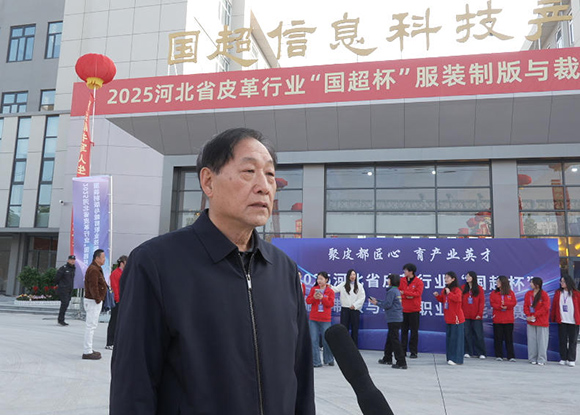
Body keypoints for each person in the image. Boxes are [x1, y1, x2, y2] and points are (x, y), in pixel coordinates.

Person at [110, 128, 315, 415]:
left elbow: (301, 377)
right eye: (249, 171)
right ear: (208, 181)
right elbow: (133, 385)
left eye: (270, 174)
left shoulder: (283, 269)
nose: (264, 186)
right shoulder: (155, 263)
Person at [370, 273, 407, 369]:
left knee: (394, 340)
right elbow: (388, 302)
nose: (387, 281)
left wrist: (377, 303)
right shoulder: (395, 290)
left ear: (392, 281)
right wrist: (377, 301)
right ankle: (387, 357)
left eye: (389, 279)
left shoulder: (391, 291)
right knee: (390, 338)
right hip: (396, 318)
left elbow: (387, 305)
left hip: (393, 318)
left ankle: (401, 362)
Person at [434, 271, 465, 365]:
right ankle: (450, 358)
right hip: (448, 318)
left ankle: (457, 359)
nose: (446, 279)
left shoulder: (457, 289)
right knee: (450, 339)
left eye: (447, 278)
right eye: (445, 278)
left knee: (457, 340)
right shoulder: (445, 289)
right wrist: (437, 296)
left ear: (453, 279)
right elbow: (443, 300)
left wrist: (449, 293)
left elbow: (457, 299)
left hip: (457, 319)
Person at [306, 271, 335, 367]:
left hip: (325, 319)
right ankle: (316, 361)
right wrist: (314, 298)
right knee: (313, 340)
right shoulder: (314, 289)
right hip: (313, 318)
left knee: (326, 340)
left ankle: (329, 359)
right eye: (318, 279)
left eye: (321, 279)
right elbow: (308, 301)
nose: (319, 281)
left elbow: (330, 304)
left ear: (326, 280)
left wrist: (323, 298)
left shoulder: (330, 291)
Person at [330, 269, 366, 346]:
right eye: (351, 274)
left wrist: (355, 305)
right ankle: (344, 346)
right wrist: (329, 286)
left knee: (355, 329)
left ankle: (354, 347)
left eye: (354, 274)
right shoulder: (343, 284)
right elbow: (335, 289)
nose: (352, 276)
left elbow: (362, 298)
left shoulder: (359, 286)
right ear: (348, 276)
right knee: (344, 329)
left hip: (355, 310)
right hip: (345, 310)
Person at [550, 273, 580, 367]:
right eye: (561, 281)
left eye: (563, 281)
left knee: (572, 341)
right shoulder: (558, 293)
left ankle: (571, 359)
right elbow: (555, 306)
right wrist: (553, 317)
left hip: (573, 321)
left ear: (568, 282)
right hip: (562, 320)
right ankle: (563, 358)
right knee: (562, 340)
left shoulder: (576, 294)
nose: (561, 283)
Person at [82, 249, 107, 360]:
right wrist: (98, 299)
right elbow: (93, 286)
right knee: (90, 326)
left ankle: (89, 349)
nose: (104, 259)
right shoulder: (93, 270)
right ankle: (87, 351)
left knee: (92, 326)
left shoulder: (96, 268)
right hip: (92, 301)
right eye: (103, 257)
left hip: (93, 300)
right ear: (97, 258)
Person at [489, 275, 517, 362]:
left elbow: (513, 303)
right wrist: (499, 306)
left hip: (508, 319)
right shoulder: (494, 293)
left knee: (509, 338)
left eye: (498, 282)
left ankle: (510, 356)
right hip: (498, 318)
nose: (497, 283)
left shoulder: (510, 293)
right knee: (498, 338)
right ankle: (499, 355)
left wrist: (506, 305)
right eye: (497, 282)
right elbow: (492, 303)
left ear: (503, 283)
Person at [524, 277, 551, 365]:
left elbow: (545, 307)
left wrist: (535, 315)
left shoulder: (544, 294)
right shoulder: (528, 294)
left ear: (537, 285)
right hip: (531, 320)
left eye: (532, 282)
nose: (530, 284)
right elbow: (525, 306)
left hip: (541, 320)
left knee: (542, 341)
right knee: (531, 340)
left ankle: (541, 359)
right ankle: (532, 358)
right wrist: (528, 315)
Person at [399, 262, 424, 358]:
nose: (404, 272)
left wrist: (405, 293)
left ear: (411, 272)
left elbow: (418, 293)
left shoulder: (418, 282)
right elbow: (399, 292)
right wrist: (408, 295)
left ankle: (413, 352)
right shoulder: (402, 280)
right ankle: (403, 350)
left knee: (414, 331)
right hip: (404, 309)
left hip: (414, 310)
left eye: (406, 270)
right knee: (403, 331)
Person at [462, 271, 486, 359]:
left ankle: (481, 353)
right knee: (466, 334)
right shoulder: (463, 288)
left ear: (473, 278)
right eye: (466, 276)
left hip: (476, 316)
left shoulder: (479, 289)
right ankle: (467, 351)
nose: (467, 278)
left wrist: (480, 313)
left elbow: (481, 302)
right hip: (465, 315)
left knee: (478, 334)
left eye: (469, 276)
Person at [105, 255, 127, 350]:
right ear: (121, 263)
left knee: (121, 321)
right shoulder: (115, 273)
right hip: (117, 300)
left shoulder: (124, 273)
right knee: (114, 321)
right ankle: (110, 342)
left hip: (123, 299)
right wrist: (118, 298)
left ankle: (117, 340)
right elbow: (114, 287)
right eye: (126, 263)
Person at [55, 255, 76, 326]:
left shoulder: (73, 268)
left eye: (73, 260)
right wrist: (61, 285)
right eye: (71, 260)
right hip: (63, 289)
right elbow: (57, 278)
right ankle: (61, 320)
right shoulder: (63, 268)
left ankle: (61, 319)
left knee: (66, 304)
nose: (72, 261)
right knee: (64, 303)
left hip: (69, 289)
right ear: (68, 260)